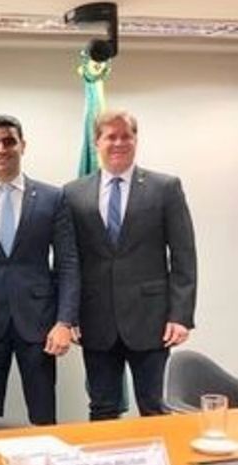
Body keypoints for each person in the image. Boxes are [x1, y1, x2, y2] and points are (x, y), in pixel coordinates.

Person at [64, 109, 197, 420]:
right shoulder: (72, 193)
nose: (119, 143)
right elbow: (69, 261)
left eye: (127, 136)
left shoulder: (165, 187)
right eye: (111, 136)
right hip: (95, 320)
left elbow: (184, 255)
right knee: (102, 409)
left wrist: (181, 316)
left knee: (155, 407)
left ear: (136, 140)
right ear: (97, 142)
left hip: (151, 320)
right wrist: (69, 316)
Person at [0, 114, 79, 425]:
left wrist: (65, 321)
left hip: (39, 324)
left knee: (43, 415)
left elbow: (68, 263)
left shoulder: (53, 198)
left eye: (9, 142)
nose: (1, 149)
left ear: (23, 145)